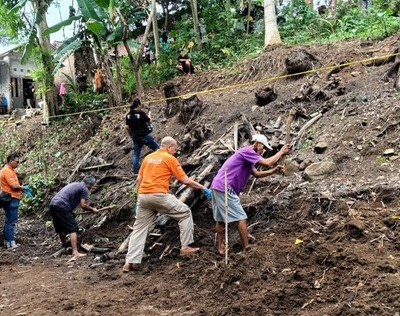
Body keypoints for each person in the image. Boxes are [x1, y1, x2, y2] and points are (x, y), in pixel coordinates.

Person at [123, 136, 211, 272]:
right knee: (185, 212)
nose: (175, 152)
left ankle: (129, 262)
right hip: (159, 196)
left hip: (143, 197)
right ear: (170, 147)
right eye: (174, 149)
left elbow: (139, 179)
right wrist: (203, 187)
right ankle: (186, 246)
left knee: (139, 229)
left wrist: (138, 199)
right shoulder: (170, 159)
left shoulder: (148, 158)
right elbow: (185, 180)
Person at [210, 134, 290, 255]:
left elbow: (257, 174)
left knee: (221, 219)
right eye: (263, 148)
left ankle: (221, 248)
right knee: (241, 217)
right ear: (257, 143)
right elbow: (267, 163)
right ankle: (246, 248)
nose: (262, 151)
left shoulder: (246, 155)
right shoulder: (247, 151)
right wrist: (281, 152)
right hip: (225, 186)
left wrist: (273, 171)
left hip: (217, 185)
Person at [49, 175, 99, 258]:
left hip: (53, 204)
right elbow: (83, 205)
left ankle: (65, 246)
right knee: (73, 228)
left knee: (61, 228)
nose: (91, 188)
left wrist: (70, 212)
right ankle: (75, 252)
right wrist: (92, 209)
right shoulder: (84, 189)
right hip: (62, 205)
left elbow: (65, 197)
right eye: (92, 186)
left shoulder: (75, 184)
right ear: (89, 184)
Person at [0, 153, 26, 249]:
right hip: (11, 198)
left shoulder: (8, 170)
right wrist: (22, 188)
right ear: (11, 161)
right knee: (11, 222)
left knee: (8, 221)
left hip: (8, 198)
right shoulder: (8, 171)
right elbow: (13, 186)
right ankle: (11, 243)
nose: (18, 163)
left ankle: (7, 242)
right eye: (17, 161)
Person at [125, 98, 159, 175]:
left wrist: (131, 135)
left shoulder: (128, 115)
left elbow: (127, 127)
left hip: (135, 137)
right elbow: (150, 121)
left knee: (136, 154)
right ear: (139, 104)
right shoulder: (141, 113)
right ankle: (163, 163)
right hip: (144, 135)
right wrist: (150, 114)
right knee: (158, 149)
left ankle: (136, 172)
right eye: (141, 104)